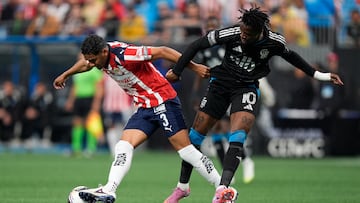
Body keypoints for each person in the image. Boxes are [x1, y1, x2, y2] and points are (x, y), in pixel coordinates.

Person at [164, 7, 344, 203]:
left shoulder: (274, 42)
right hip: (220, 85)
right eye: (242, 30)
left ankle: (223, 190)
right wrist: (178, 70)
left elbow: (293, 57)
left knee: (238, 135)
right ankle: (182, 187)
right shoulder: (232, 32)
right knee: (194, 137)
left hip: (246, 88)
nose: (242, 35)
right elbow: (198, 44)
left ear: (259, 32)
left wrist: (321, 75)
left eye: (247, 34)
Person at [53, 34, 221, 203]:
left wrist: (195, 67)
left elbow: (162, 51)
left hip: (162, 100)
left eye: (93, 60)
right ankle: (109, 190)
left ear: (104, 52)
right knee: (123, 145)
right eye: (89, 60)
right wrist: (65, 75)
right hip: (144, 107)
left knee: (186, 151)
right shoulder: (99, 58)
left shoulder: (126, 54)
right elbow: (84, 64)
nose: (90, 64)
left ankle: (222, 187)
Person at [192, 15, 255, 185]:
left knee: (229, 127)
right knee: (217, 129)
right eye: (209, 26)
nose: (212, 28)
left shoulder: (228, 42)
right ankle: (227, 173)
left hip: (233, 89)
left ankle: (246, 160)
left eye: (214, 25)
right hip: (216, 88)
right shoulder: (205, 48)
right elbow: (201, 71)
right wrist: (195, 93)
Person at [64, 53, 103, 157]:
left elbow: (99, 86)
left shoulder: (94, 70)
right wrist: (70, 101)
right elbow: (75, 87)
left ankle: (91, 149)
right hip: (79, 99)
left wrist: (96, 102)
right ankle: (76, 149)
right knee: (77, 123)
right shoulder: (76, 71)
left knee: (90, 123)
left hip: (90, 97)